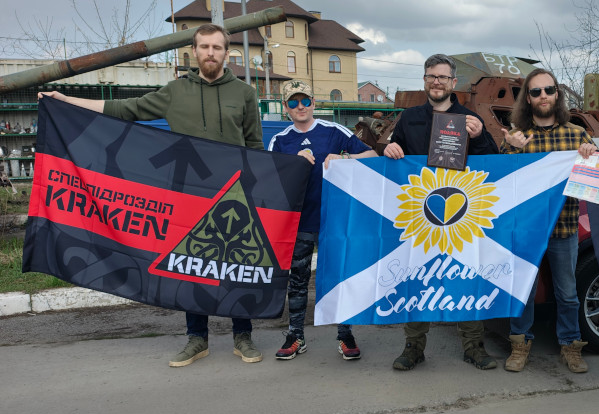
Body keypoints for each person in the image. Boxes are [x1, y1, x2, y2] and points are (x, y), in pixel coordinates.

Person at [39, 24, 265, 367]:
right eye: (204, 46)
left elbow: (255, 147)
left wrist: (257, 189)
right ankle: (196, 338)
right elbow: (126, 110)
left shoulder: (245, 94)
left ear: (227, 53)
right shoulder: (175, 91)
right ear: (194, 50)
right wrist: (66, 100)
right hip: (186, 195)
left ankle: (242, 335)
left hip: (231, 196)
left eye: (217, 47)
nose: (210, 53)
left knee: (234, 263)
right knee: (189, 266)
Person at [383, 54, 500, 371]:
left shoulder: (469, 118)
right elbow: (394, 152)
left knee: (464, 279)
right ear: (425, 80)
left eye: (443, 77)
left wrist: (479, 137)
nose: (436, 82)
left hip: (462, 214)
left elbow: (493, 161)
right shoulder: (409, 118)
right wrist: (389, 148)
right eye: (431, 76)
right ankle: (413, 347)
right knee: (416, 279)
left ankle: (474, 346)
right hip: (420, 214)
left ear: (453, 82)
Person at [499, 68, 598, 374]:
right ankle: (519, 344)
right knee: (523, 290)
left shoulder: (578, 135)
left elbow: (592, 188)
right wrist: (510, 151)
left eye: (549, 90)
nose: (543, 96)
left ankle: (570, 345)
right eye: (536, 92)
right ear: (527, 100)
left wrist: (590, 156)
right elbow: (500, 186)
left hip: (565, 227)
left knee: (567, 293)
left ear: (558, 94)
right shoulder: (517, 137)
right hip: (525, 230)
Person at [268, 80, 375, 360]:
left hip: (335, 220)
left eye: (305, 101)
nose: (300, 106)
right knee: (298, 280)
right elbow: (268, 178)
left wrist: (345, 157)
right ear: (285, 108)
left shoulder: (333, 131)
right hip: (299, 222)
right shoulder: (279, 140)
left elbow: (372, 155)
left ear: (314, 103)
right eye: (293, 102)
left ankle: (345, 334)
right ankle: (295, 335)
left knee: (339, 278)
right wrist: (293, 163)